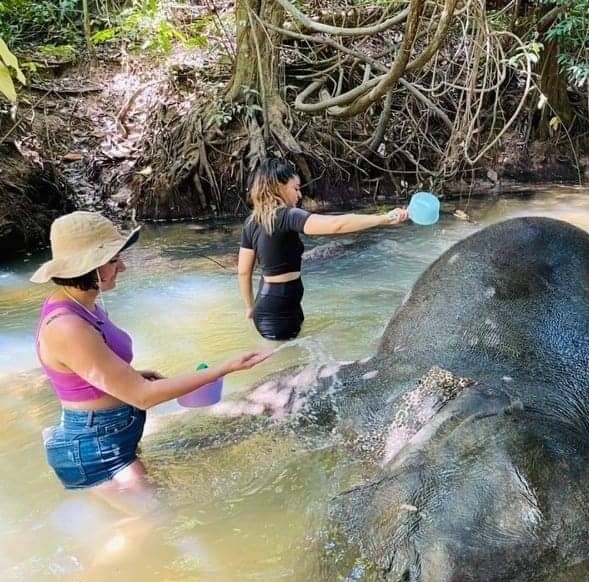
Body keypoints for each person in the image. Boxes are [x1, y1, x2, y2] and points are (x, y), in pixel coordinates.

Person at [31, 211, 272, 502]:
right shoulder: (68, 326)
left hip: (111, 436)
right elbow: (143, 397)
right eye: (113, 260)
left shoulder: (81, 304)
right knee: (157, 522)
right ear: (89, 267)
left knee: (153, 517)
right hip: (95, 448)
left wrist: (130, 375)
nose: (122, 267)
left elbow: (85, 370)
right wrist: (223, 369)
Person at [237, 160, 410, 340]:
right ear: (278, 186)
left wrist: (250, 307)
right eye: (295, 188)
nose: (299, 194)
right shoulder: (288, 216)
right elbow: (336, 225)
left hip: (273, 305)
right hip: (277, 312)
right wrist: (385, 219)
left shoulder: (251, 223)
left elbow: (243, 272)